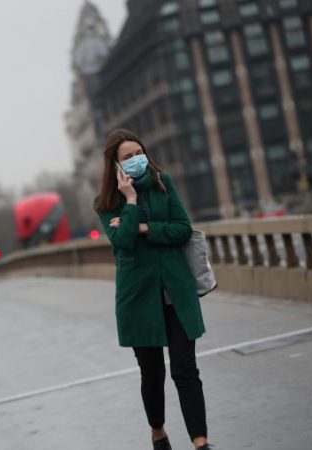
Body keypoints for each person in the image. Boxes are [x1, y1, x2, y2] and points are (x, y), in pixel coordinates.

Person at [94, 129, 212, 450]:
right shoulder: (106, 203)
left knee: (185, 369)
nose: (136, 160)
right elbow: (123, 241)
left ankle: (200, 442)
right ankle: (158, 432)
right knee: (153, 373)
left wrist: (144, 227)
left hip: (176, 291)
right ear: (115, 165)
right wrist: (131, 201)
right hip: (138, 298)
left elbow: (182, 229)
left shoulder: (163, 183)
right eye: (128, 157)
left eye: (139, 153)